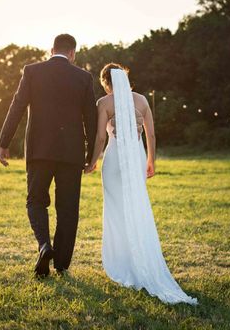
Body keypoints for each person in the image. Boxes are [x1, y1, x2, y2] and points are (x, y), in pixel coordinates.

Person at [85, 63, 198, 305]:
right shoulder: (142, 100)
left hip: (114, 160)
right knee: (135, 207)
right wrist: (151, 161)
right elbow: (151, 135)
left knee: (115, 211)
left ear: (106, 83)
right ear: (126, 79)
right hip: (137, 157)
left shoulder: (104, 103)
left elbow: (101, 137)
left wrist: (92, 161)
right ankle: (137, 259)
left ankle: (122, 261)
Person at [0, 34, 98, 277]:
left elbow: (17, 106)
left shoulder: (32, 71)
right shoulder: (83, 77)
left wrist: (3, 142)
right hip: (71, 153)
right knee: (68, 208)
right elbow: (91, 118)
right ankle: (61, 263)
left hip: (39, 150)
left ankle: (44, 245)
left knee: (35, 200)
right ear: (73, 53)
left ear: (51, 50)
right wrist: (91, 154)